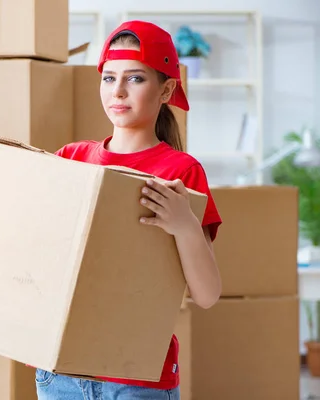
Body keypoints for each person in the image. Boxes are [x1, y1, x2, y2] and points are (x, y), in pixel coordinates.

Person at [35, 20, 223, 400]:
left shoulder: (181, 172)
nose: (117, 92)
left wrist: (184, 225)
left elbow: (206, 295)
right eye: (108, 78)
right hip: (60, 374)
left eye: (135, 79)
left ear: (166, 89)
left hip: (137, 380)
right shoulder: (71, 159)